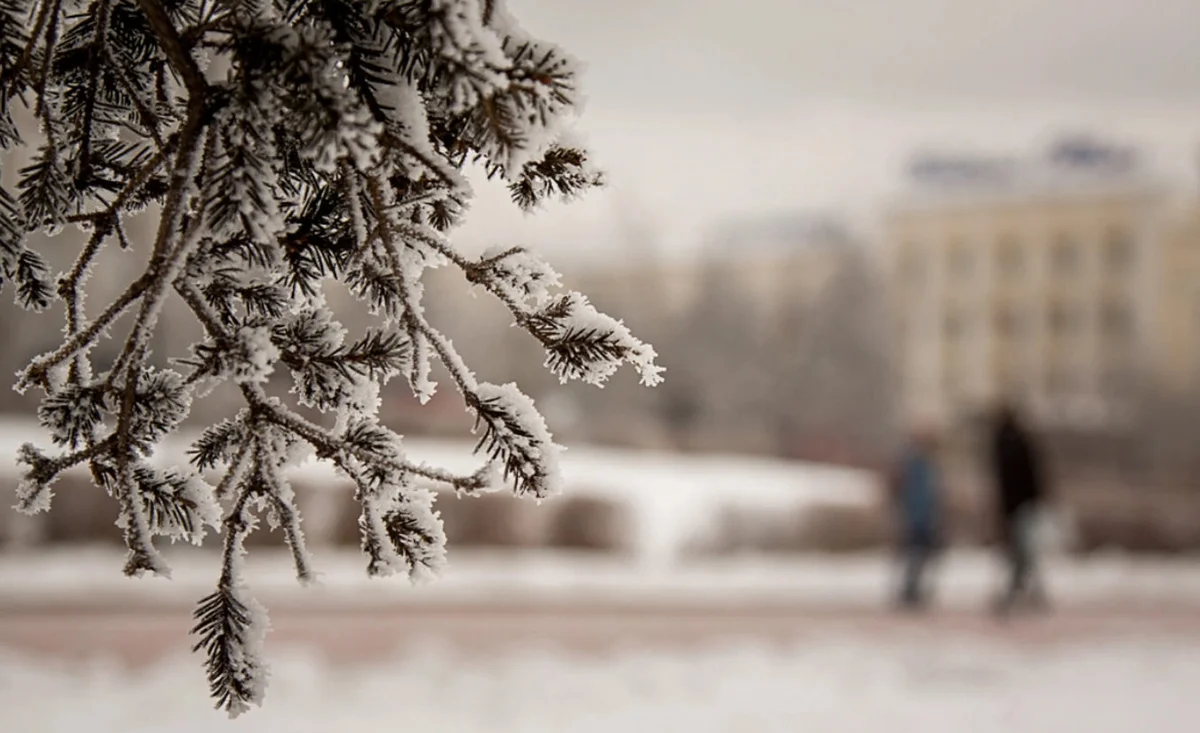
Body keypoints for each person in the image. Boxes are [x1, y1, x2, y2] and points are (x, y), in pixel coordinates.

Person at [987, 402, 1050, 615]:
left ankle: (1018, 592)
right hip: (1022, 504)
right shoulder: (1019, 441)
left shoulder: (1002, 443)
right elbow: (1032, 474)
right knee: (1023, 551)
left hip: (1013, 505)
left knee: (1021, 551)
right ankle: (1024, 592)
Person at [888, 425, 944, 611]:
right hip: (915, 515)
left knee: (920, 554)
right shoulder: (912, 463)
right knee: (914, 554)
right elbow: (900, 489)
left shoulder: (927, 463)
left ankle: (912, 588)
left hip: (923, 515)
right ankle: (909, 589)